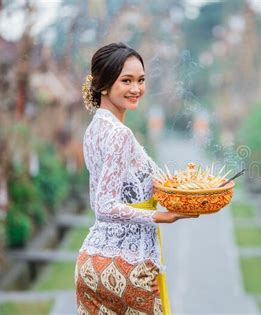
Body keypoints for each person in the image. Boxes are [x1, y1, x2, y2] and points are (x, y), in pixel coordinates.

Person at [75, 42, 198, 315]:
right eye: (126, 80)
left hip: (91, 265)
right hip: (127, 267)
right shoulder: (120, 135)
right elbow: (105, 205)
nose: (136, 89)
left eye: (140, 80)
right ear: (103, 85)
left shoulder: (95, 128)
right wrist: (160, 217)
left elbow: (104, 200)